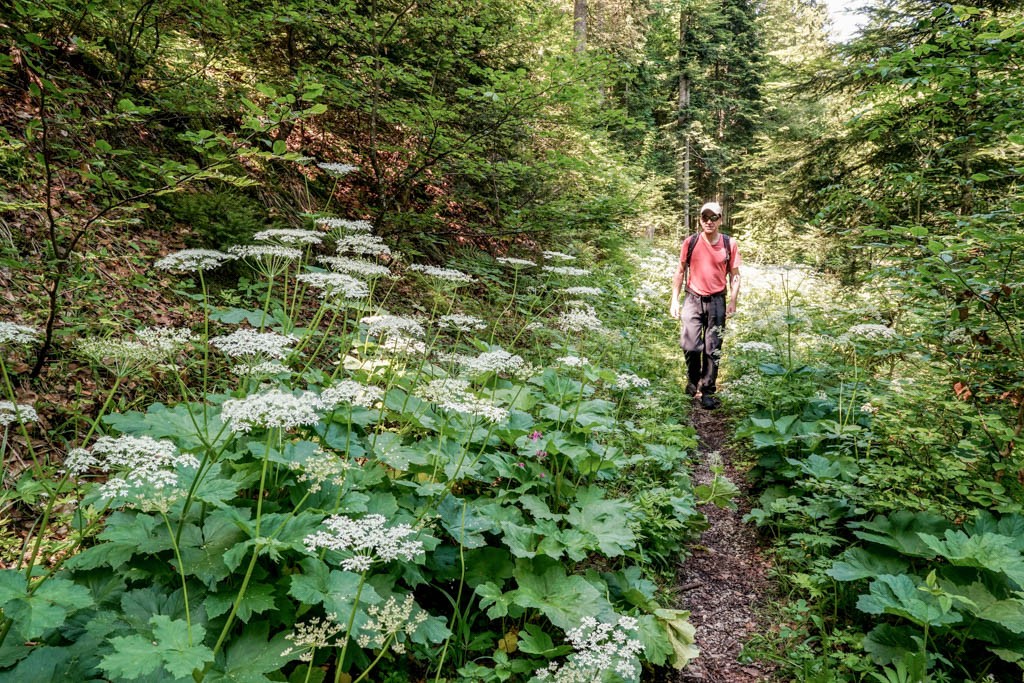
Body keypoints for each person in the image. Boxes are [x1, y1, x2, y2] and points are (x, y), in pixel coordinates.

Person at [669, 201, 742, 409]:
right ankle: (693, 382)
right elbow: (680, 271)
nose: (709, 221)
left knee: (713, 348)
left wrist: (733, 301)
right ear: (699, 219)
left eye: (714, 217)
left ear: (721, 220)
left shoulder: (729, 244)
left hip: (717, 300)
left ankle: (707, 391)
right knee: (690, 345)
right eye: (705, 217)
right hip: (692, 298)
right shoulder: (690, 242)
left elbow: (735, 276)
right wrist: (674, 299)